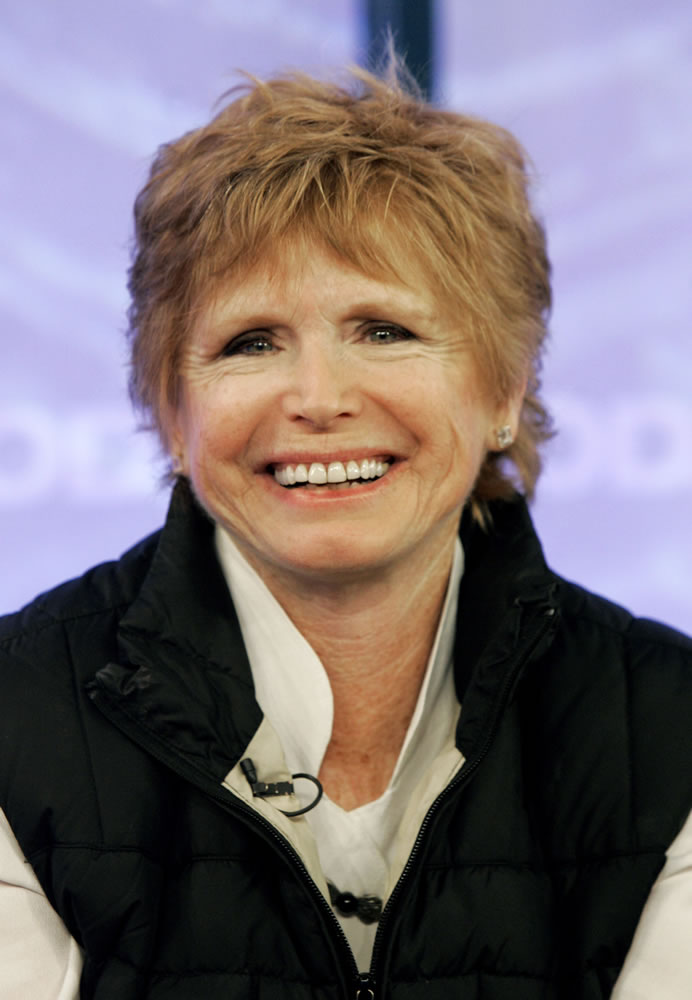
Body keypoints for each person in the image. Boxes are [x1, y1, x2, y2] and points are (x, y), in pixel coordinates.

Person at [1, 60, 691, 1000]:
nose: (320, 399)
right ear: (171, 409)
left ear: (504, 387)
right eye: (251, 342)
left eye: (384, 330)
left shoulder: (670, 729)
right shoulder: (14, 721)